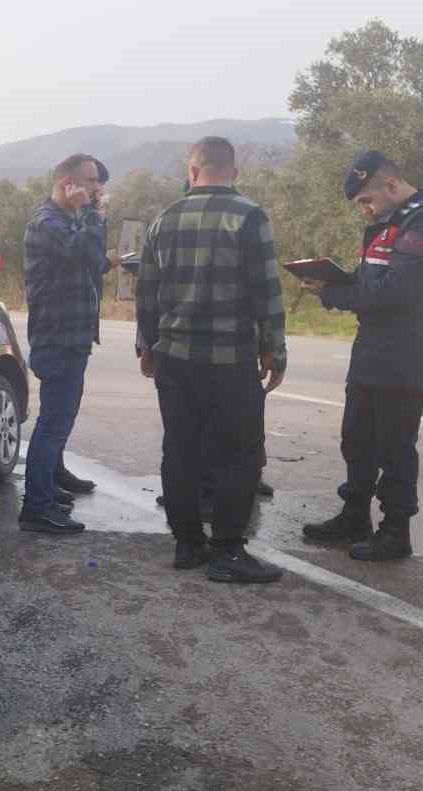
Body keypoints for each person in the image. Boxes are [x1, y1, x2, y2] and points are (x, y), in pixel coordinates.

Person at [298, 151, 423, 562]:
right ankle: (354, 516)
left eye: (366, 201)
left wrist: (333, 294)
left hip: (408, 348)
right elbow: (373, 279)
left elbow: (396, 292)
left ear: (391, 185)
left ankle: (395, 531)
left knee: (395, 444)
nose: (365, 210)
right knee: (358, 437)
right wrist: (336, 279)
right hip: (374, 344)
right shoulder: (387, 223)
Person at [136, 136, 287, 583]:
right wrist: (274, 349)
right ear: (234, 172)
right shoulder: (249, 217)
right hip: (229, 358)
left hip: (175, 357)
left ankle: (187, 545)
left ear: (192, 170)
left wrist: (146, 348)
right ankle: (226, 551)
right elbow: (267, 291)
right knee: (236, 454)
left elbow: (146, 292)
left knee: (180, 449)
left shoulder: (164, 218)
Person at [19, 153, 111, 534]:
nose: (95, 189)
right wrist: (92, 214)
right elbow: (78, 250)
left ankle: (48, 489)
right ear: (67, 183)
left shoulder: (68, 221)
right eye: (89, 181)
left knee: (59, 419)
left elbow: (89, 258)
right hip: (57, 337)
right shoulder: (46, 223)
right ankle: (37, 508)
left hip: (72, 337)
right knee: (53, 424)